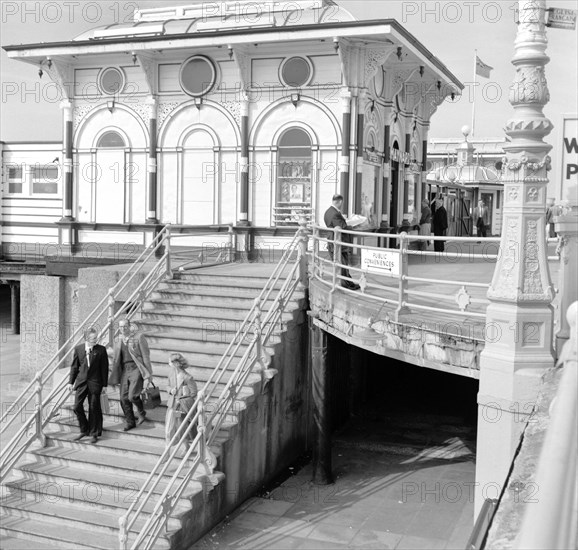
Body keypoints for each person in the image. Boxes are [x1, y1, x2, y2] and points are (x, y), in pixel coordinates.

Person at [109, 317, 153, 431]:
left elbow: (146, 356)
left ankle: (141, 412)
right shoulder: (117, 339)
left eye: (125, 326)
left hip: (136, 368)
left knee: (132, 396)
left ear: (130, 327)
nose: (123, 329)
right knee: (123, 398)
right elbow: (115, 358)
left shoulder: (139, 337)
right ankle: (130, 422)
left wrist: (148, 375)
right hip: (124, 370)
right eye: (121, 327)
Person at [68, 326, 109, 444]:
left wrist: (105, 385)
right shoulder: (79, 349)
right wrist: (70, 382)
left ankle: (94, 433)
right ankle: (84, 429)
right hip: (81, 382)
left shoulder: (101, 350)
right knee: (77, 406)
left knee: (94, 407)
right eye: (93, 338)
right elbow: (74, 367)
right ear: (86, 338)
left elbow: (104, 368)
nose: (95, 340)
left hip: (95, 382)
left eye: (96, 338)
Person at [323, 194, 360, 290]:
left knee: (341, 263)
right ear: (339, 202)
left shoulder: (328, 211)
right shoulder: (335, 213)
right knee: (342, 263)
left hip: (333, 240)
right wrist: (353, 226)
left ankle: (347, 283)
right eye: (342, 203)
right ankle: (346, 284)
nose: (342, 205)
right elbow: (342, 226)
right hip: (338, 242)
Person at [164, 353, 198, 457]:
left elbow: (193, 393)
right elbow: (167, 386)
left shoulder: (188, 377)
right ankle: (167, 451)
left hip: (181, 407)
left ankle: (186, 446)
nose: (169, 364)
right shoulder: (171, 374)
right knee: (169, 429)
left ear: (177, 363)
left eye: (171, 362)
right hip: (172, 406)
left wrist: (183, 396)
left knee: (181, 427)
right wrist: (171, 390)